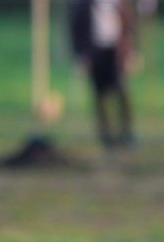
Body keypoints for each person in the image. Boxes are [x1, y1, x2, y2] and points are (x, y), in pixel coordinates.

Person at [69, 0, 137, 148]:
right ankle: (106, 135)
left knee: (122, 90)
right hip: (95, 52)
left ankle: (127, 132)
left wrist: (131, 53)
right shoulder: (83, 5)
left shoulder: (120, 4)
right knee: (100, 95)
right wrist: (81, 56)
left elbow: (129, 28)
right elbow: (76, 29)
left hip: (116, 52)